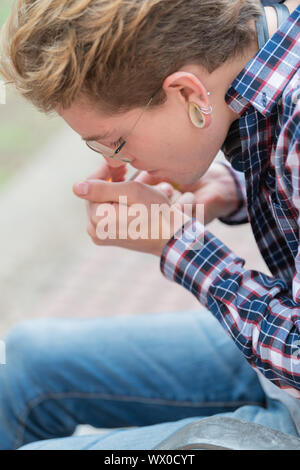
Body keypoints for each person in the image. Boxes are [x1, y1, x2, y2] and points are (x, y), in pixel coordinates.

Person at [0, 0, 299, 450]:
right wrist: (232, 186)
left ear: (187, 93)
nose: (115, 162)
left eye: (115, 142)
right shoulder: (267, 55)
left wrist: (176, 243)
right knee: (26, 361)